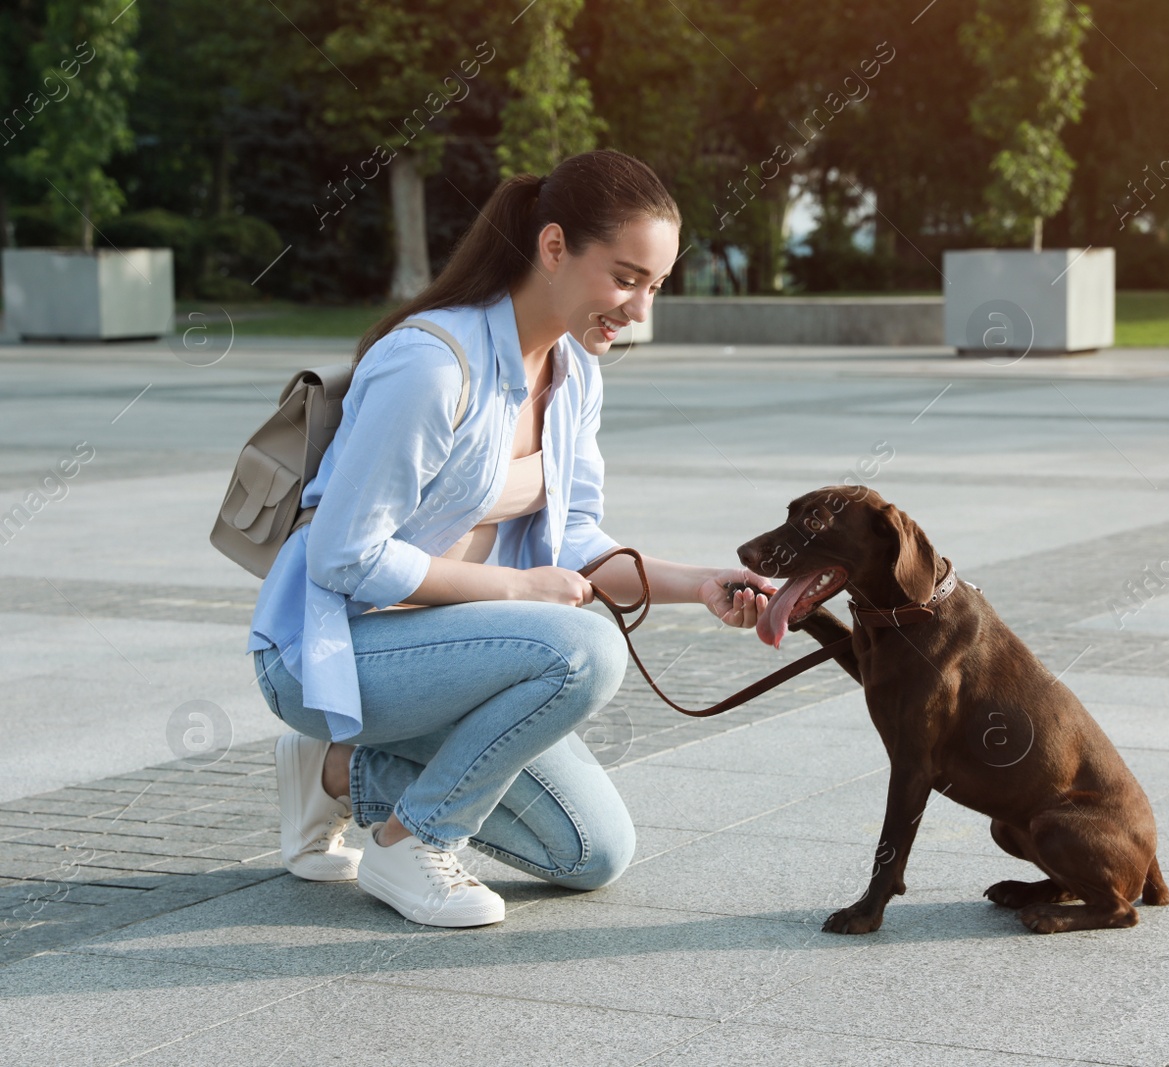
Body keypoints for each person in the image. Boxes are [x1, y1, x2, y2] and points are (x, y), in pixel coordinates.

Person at [247, 149, 776, 928]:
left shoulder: (575, 372)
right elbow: (344, 556)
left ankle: (339, 770)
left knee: (591, 853)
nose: (638, 309)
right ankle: (410, 840)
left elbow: (574, 541)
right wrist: (517, 588)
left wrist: (697, 584)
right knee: (582, 649)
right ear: (554, 247)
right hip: (327, 654)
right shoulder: (432, 366)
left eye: (654, 286)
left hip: (456, 655)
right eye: (625, 277)